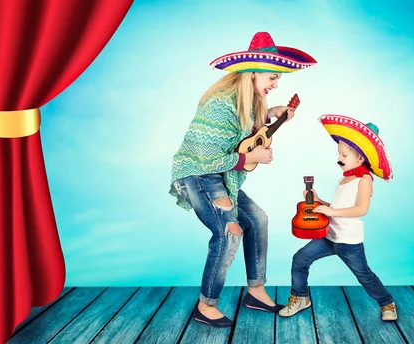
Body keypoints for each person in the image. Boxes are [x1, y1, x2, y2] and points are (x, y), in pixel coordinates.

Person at [169, 32, 316, 327]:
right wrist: (251, 159)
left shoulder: (247, 103)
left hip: (223, 177)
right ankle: (205, 306)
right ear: (252, 72)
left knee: (258, 219)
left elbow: (244, 137)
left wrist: (273, 115)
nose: (275, 85)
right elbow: (207, 159)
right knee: (230, 232)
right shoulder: (220, 104)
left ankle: (256, 291)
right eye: (272, 78)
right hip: (198, 175)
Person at [278, 114, 398, 322]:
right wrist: (320, 201)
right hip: (328, 237)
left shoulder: (364, 180)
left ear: (360, 158)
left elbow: (361, 209)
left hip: (349, 242)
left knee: (364, 276)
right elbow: (337, 207)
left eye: (344, 155)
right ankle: (300, 297)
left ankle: (387, 302)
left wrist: (331, 212)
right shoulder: (346, 178)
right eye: (339, 153)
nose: (339, 158)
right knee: (299, 259)